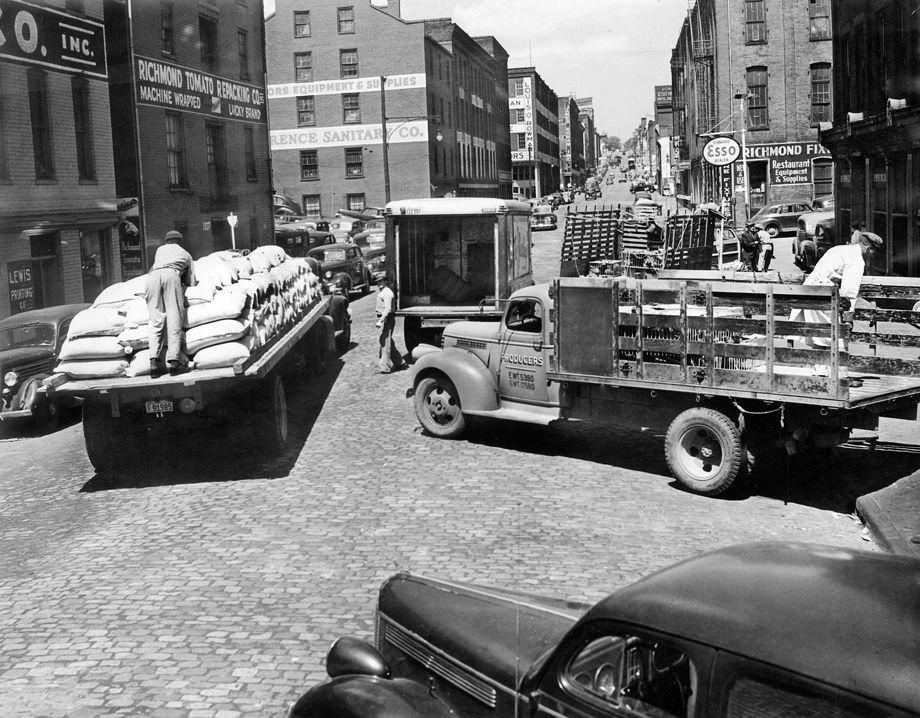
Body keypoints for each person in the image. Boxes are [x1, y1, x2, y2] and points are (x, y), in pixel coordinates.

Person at [790, 231, 883, 348]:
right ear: (869, 248)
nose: (871, 256)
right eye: (873, 253)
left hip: (809, 291)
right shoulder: (857, 260)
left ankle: (820, 364)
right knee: (835, 339)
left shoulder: (839, 249)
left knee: (819, 336)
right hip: (824, 294)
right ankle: (831, 365)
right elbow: (849, 292)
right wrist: (848, 317)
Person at [146, 230, 196, 377]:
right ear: (180, 241)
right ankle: (174, 363)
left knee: (156, 320)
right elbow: (190, 281)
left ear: (166, 241)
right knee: (174, 319)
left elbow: (153, 269)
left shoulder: (159, 250)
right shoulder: (185, 254)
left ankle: (153, 363)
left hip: (152, 278)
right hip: (171, 276)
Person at [375, 276, 404, 373]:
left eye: (382, 281)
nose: (379, 283)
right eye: (378, 282)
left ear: (386, 282)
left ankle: (385, 367)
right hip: (387, 319)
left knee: (385, 342)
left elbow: (387, 309)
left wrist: (381, 320)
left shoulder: (387, 293)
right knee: (386, 339)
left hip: (388, 319)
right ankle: (399, 362)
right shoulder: (384, 292)